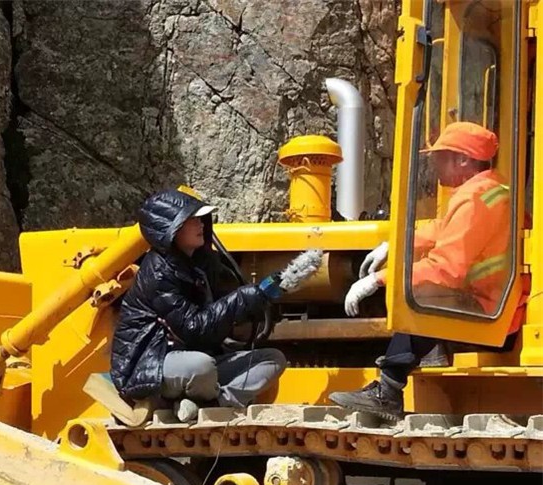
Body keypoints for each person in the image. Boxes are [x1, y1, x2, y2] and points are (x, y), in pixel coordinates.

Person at [331, 122, 511, 417]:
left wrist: (379, 279)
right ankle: (429, 353)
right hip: (494, 300)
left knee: (421, 295)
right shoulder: (490, 189)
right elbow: (444, 228)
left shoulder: (475, 198)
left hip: (488, 307)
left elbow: (447, 269)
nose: (434, 164)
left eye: (440, 157)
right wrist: (396, 244)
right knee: (428, 288)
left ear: (463, 159)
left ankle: (388, 389)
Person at [111, 188, 288, 423]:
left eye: (201, 218)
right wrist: (243, 299)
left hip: (200, 358)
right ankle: (181, 401)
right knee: (202, 367)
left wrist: (258, 299)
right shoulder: (157, 273)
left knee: (273, 359)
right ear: (171, 228)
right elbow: (194, 328)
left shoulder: (202, 264)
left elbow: (223, 310)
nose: (201, 224)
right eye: (192, 219)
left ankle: (213, 403)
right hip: (153, 362)